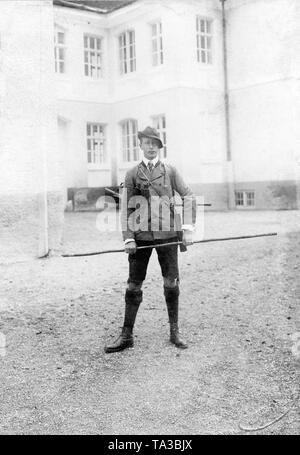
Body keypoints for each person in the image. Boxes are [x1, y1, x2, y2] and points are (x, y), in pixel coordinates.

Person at [104, 126, 196, 353]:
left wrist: (187, 228)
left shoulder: (170, 171)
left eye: (155, 143)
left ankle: (174, 332)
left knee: (171, 283)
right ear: (141, 145)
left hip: (168, 235)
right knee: (133, 284)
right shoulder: (133, 173)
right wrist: (128, 238)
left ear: (159, 147)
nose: (152, 147)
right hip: (141, 237)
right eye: (147, 143)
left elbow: (189, 196)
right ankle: (126, 335)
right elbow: (125, 207)